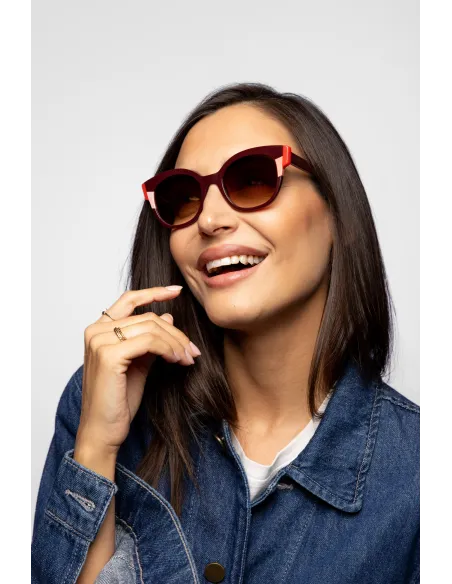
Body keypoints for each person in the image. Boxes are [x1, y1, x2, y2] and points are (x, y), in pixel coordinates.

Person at [30, 82, 420, 584]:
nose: (210, 220)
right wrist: (96, 447)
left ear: (336, 213)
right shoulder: (102, 401)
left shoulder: (422, 471)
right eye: (183, 197)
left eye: (253, 179)